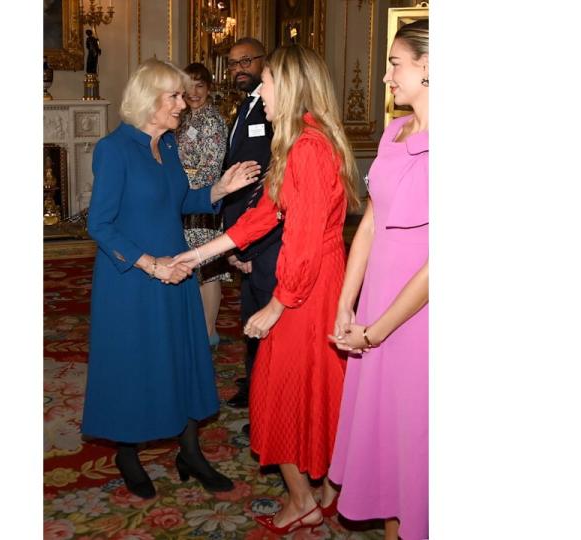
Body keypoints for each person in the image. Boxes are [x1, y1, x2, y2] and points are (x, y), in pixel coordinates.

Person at [172, 45, 360, 535]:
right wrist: (197, 255)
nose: (260, 90)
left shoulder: (309, 148)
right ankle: (322, 493)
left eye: (268, 81)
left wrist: (278, 304)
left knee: (278, 389)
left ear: (291, 86)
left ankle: (303, 500)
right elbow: (263, 216)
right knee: (314, 388)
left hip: (308, 287)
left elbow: (301, 241)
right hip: (311, 281)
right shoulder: (299, 141)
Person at [82, 58, 262, 500]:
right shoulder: (114, 148)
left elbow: (179, 201)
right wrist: (149, 263)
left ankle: (190, 450)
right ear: (149, 100)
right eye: (175, 96)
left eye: (183, 95)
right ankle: (128, 452)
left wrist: (219, 189)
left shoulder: (169, 147)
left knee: (183, 357)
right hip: (133, 279)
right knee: (134, 362)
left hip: (176, 271)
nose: (184, 103)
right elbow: (100, 225)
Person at [328, 19, 430, 540]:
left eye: (395, 63)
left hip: (419, 319)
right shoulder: (394, 131)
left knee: (418, 437)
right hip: (377, 308)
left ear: (429, 67)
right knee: (390, 437)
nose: (387, 75)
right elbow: (370, 221)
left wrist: (377, 330)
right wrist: (349, 304)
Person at [220, 37, 279, 419]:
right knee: (251, 316)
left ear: (264, 61)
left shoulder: (275, 111)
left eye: (245, 61)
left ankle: (267, 396)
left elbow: (270, 184)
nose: (238, 68)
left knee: (267, 319)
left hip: (263, 235)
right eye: (233, 63)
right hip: (244, 230)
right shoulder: (247, 105)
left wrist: (248, 244)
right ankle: (255, 383)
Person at [177, 62, 230, 348]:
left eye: (199, 86)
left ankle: (209, 330)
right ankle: (195, 326)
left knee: (208, 267)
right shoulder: (182, 118)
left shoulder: (212, 121)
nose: (193, 92)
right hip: (181, 203)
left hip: (203, 202)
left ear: (209, 88)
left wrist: (185, 188)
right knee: (190, 267)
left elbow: (211, 168)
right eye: (188, 86)